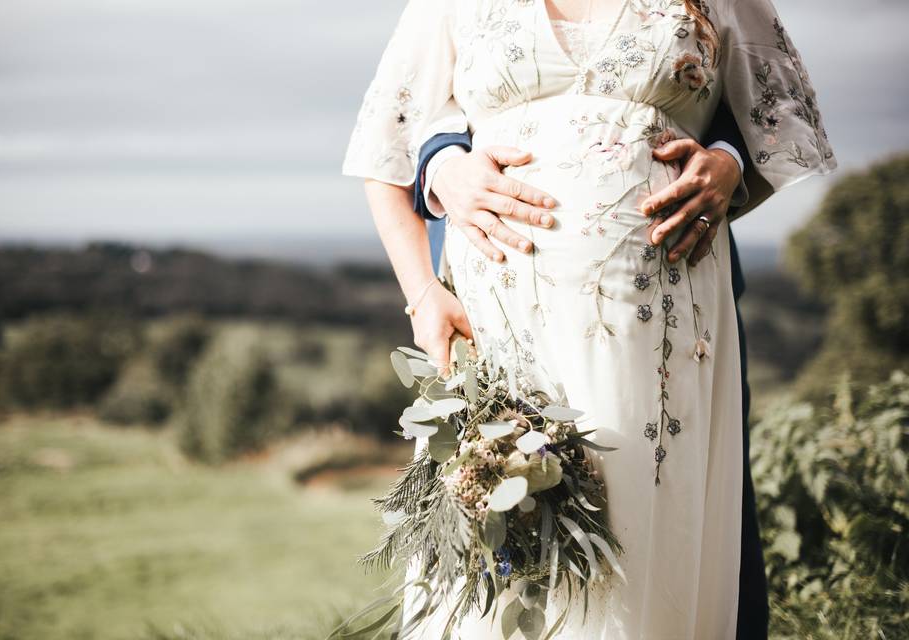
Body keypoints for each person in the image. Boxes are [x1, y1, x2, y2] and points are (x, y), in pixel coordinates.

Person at [342, 0, 835, 637]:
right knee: (499, 526)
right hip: (500, 325)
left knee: (636, 535)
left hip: (656, 316)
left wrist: (728, 163)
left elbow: (783, 114)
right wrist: (423, 290)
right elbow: (388, 141)